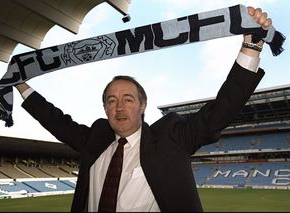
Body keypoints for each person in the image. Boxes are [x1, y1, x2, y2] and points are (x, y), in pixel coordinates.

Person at [15, 6, 272, 212]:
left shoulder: (171, 137)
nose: (119, 107)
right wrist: (19, 84)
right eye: (111, 100)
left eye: (128, 99)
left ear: (143, 105)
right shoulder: (96, 137)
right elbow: (57, 121)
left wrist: (251, 48)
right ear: (104, 108)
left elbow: (219, 113)